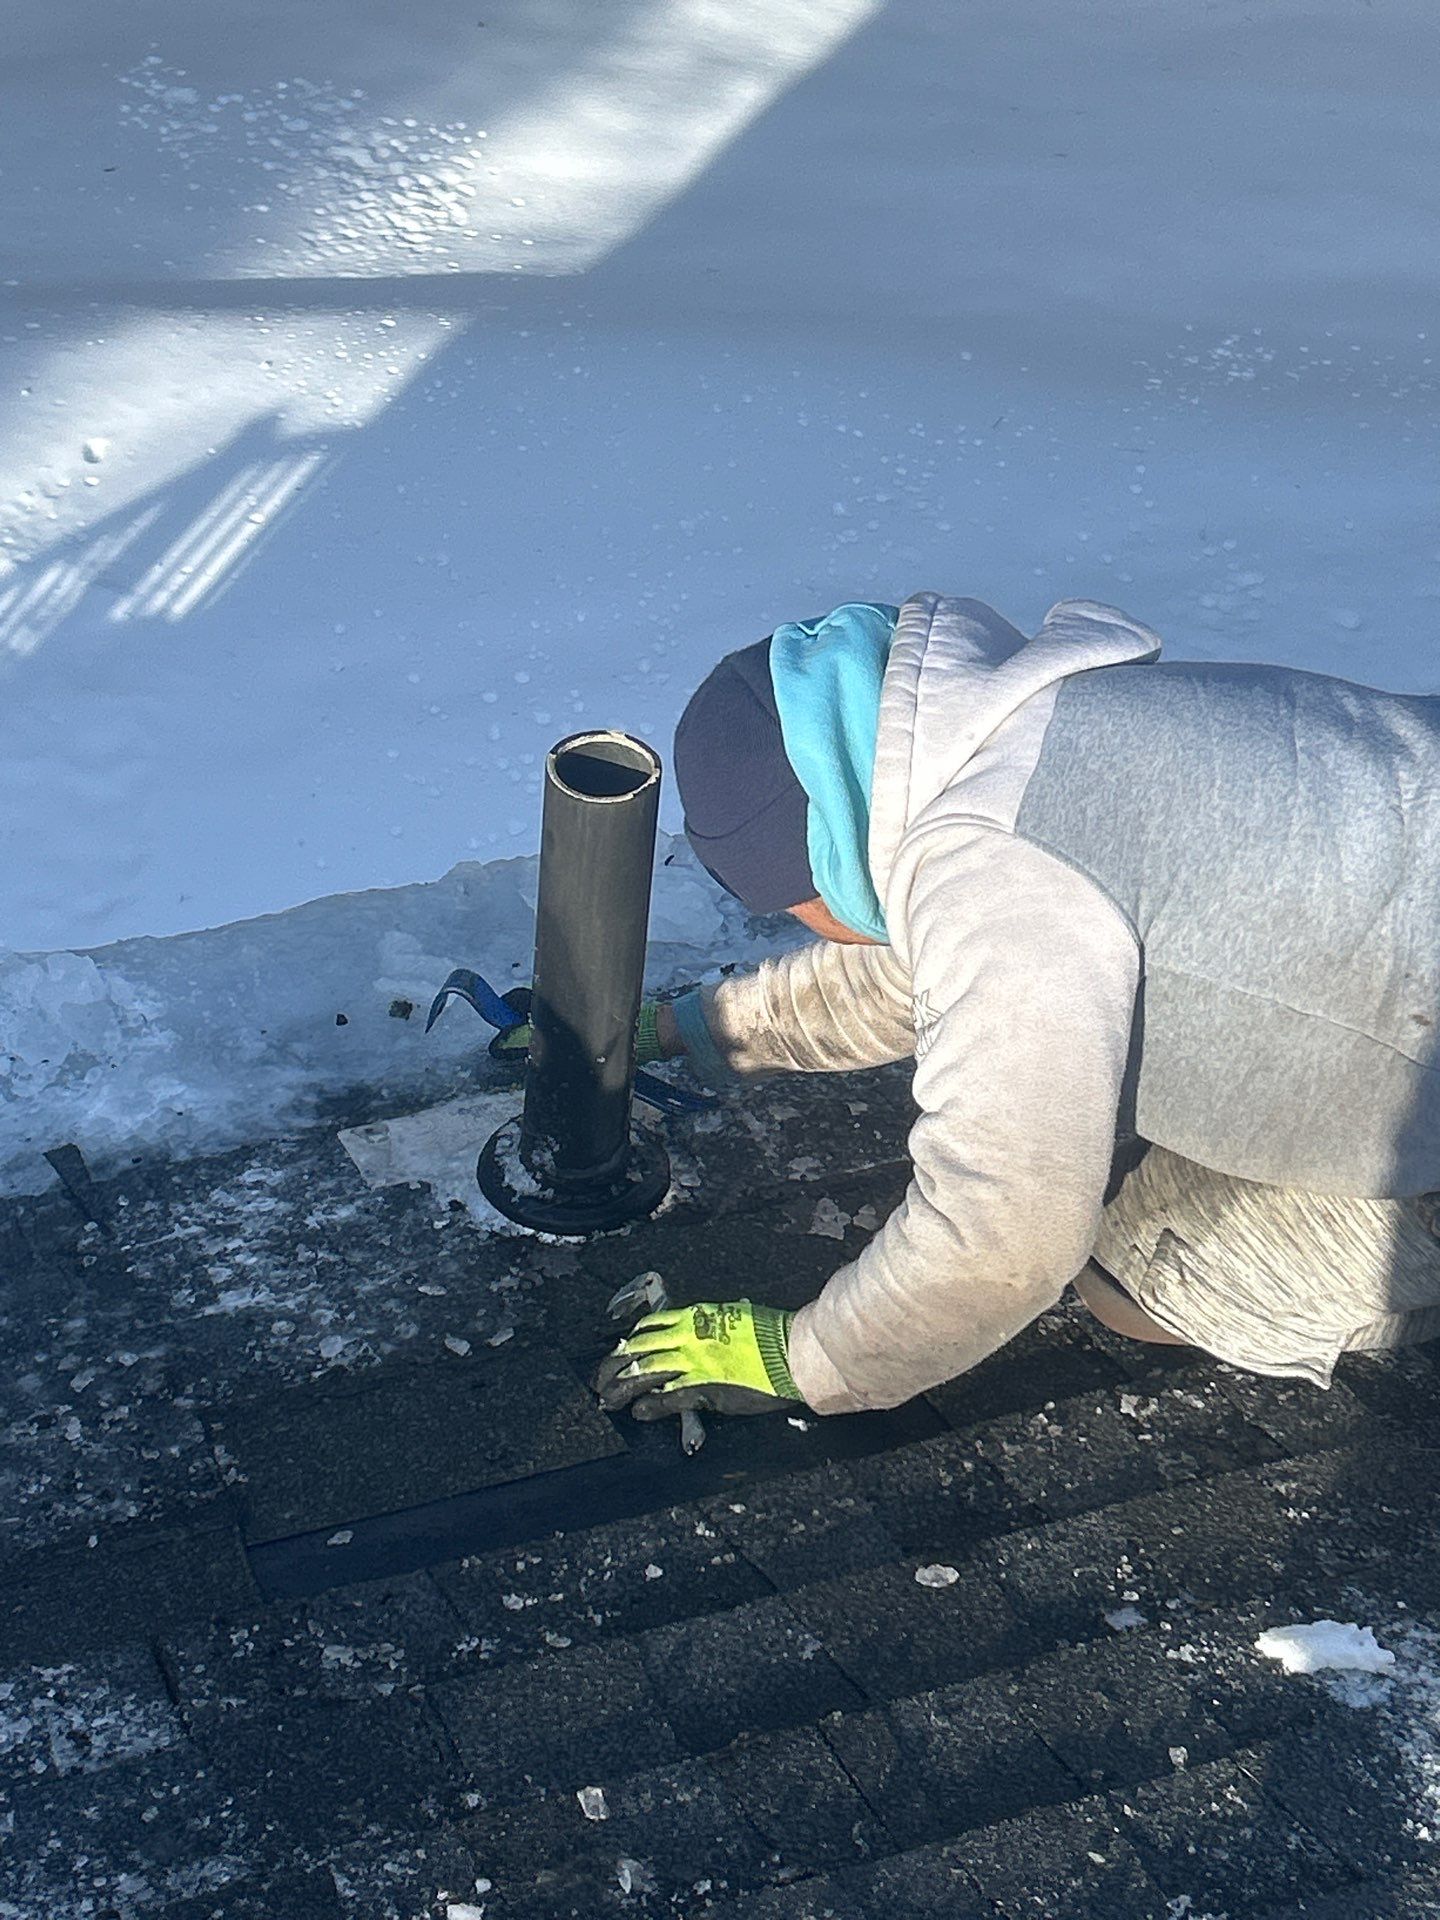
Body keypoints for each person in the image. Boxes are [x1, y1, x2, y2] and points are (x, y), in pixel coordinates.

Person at [595, 594, 1440, 1426]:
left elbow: (1004, 1235)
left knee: (1129, 1279)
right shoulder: (1032, 723)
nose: (797, 921)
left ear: (819, 850)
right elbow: (929, 969)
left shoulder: (1001, 873)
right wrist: (691, 1030)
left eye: (790, 900)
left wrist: (807, 1360)